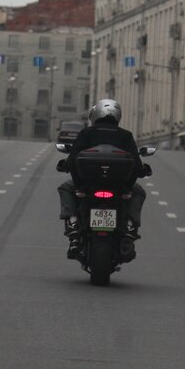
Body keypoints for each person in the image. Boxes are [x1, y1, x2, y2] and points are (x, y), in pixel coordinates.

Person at [57, 98, 147, 259]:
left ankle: (73, 226)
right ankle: (129, 227)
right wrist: (141, 171)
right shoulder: (126, 135)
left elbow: (74, 157)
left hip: (87, 186)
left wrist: (65, 166)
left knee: (66, 188)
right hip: (119, 187)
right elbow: (136, 163)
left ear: (96, 114)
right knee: (138, 192)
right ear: (117, 115)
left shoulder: (87, 133)